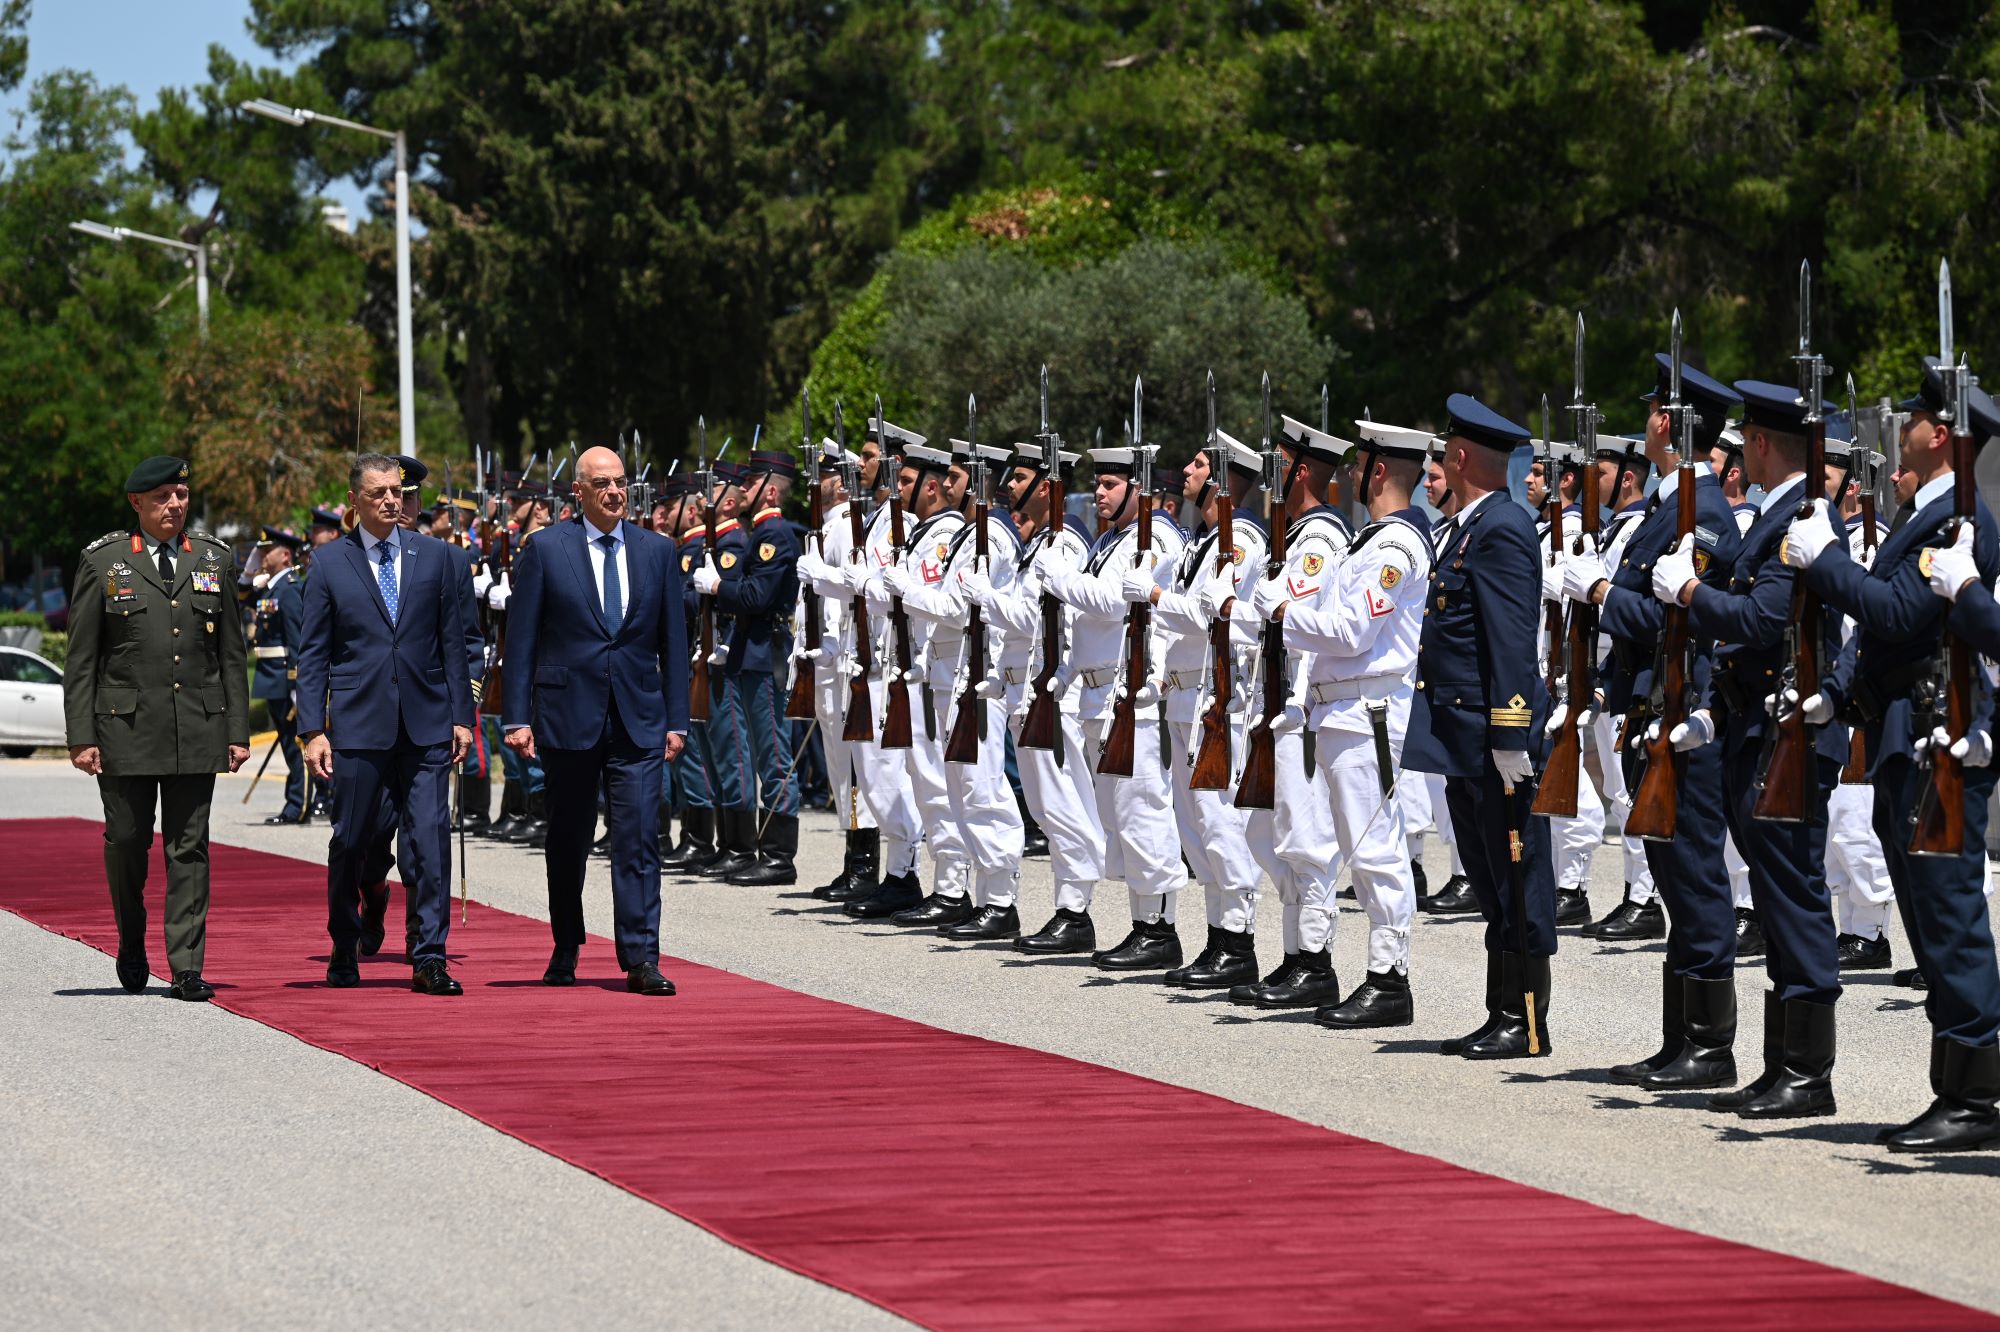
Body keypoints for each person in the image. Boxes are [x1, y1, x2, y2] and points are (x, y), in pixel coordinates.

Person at [1785, 357, 2000, 1151]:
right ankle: (1958, 1084)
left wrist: (1828, 559)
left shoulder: (1957, 523)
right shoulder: (1928, 513)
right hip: (1904, 732)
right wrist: (1839, 691)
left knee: (1949, 914)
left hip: (1937, 734)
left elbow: (1899, 608)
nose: (1903, 424)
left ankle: (1975, 1098)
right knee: (1925, 912)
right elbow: (1882, 629)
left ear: (1940, 435)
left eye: (1916, 415)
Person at [1645, 378, 1847, 1116]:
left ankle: (1808, 1071)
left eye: (1745, 444)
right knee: (1774, 892)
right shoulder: (1774, 515)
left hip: (1785, 735)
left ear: (1760, 444)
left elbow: (1761, 621)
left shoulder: (1798, 516)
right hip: (1752, 729)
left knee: (1793, 897)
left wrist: (1690, 597)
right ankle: (1783, 1063)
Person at [1563, 355, 1744, 1086]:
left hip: (1685, 720)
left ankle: (1711, 1046)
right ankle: (1681, 1041)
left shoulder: (1705, 512)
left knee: (1696, 876)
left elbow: (1682, 621)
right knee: (1672, 875)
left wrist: (1602, 592)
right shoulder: (1669, 509)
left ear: (1668, 423)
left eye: (1650, 412)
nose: (1644, 423)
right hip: (1648, 713)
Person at [1260, 416, 1436, 1027]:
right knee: (1354, 848)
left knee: (1375, 849)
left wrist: (1282, 612)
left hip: (1370, 709)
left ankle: (1390, 978)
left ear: (1378, 469)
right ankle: (1371, 972)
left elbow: (1351, 631)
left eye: (1359, 464)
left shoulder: (1396, 548)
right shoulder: (1370, 541)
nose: (1351, 474)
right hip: (1343, 707)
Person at [502, 445, 689, 994]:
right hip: (567, 716)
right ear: (578, 492)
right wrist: (517, 716)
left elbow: (673, 644)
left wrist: (677, 720)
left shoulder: (657, 551)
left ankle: (640, 957)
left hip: (637, 718)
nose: (614, 492)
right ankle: (566, 942)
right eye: (602, 484)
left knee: (638, 840)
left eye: (621, 482)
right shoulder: (546, 549)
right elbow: (522, 641)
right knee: (568, 837)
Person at [63, 456, 249, 1001]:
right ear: (136, 503)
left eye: (182, 494)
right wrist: (82, 736)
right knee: (126, 842)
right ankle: (130, 940)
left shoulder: (213, 558)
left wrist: (236, 729)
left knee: (189, 848)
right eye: (164, 496)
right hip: (125, 730)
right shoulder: (105, 562)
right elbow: (81, 660)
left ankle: (187, 965)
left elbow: (231, 654)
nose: (175, 505)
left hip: (197, 726)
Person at [1407, 394, 1554, 1060]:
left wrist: (1508, 735)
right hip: (1465, 737)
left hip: (1492, 738)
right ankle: (1502, 1010)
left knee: (1516, 880)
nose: (1437, 464)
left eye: (1442, 454)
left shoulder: (1502, 528)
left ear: (1460, 457)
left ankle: (1525, 1021)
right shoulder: (1469, 527)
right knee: (1492, 876)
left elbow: (1512, 642)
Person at [297, 452, 477, 995]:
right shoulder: (330, 565)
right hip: (358, 725)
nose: (391, 500)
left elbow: (455, 645)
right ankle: (344, 940)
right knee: (351, 841)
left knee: (430, 839)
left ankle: (429, 955)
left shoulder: (438, 558)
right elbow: (314, 655)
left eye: (396, 491)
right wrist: (312, 730)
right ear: (354, 501)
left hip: (425, 726)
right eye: (377, 493)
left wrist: (462, 718)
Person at [1041, 442, 1189, 969]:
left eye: (1110, 485)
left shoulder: (1158, 538)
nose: (1099, 494)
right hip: (1101, 695)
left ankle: (1160, 929)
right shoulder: (1113, 542)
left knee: (1141, 810)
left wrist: (1059, 577)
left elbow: (1110, 602)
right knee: (1117, 815)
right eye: (1098, 485)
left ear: (1136, 488)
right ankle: (1141, 923)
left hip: (1135, 697)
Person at [699, 450, 803, 885]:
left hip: (767, 656)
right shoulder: (760, 533)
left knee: (774, 756)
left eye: (752, 481)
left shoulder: (774, 535)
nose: (742, 489)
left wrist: (719, 586)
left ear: (770, 490)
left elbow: (757, 597)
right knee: (760, 754)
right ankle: (757, 848)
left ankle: (780, 856)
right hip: (750, 651)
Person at [250, 526, 310, 825]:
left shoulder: (288, 588)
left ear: (285, 555)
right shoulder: (272, 587)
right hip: (270, 676)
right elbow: (241, 587)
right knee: (289, 744)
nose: (261, 555)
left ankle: (297, 805)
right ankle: (300, 801)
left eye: (267, 550)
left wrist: (298, 684)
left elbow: (297, 640)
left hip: (285, 678)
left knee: (295, 745)